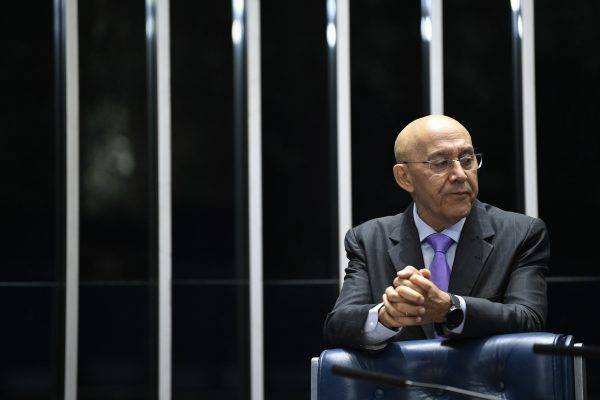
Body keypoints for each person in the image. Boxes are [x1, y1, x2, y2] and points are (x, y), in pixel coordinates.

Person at [323, 115, 549, 349]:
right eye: (441, 163)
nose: (460, 174)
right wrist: (386, 316)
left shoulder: (521, 234)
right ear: (404, 177)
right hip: (401, 373)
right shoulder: (369, 239)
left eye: (467, 160)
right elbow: (338, 325)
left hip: (483, 373)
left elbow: (529, 320)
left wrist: (451, 308)